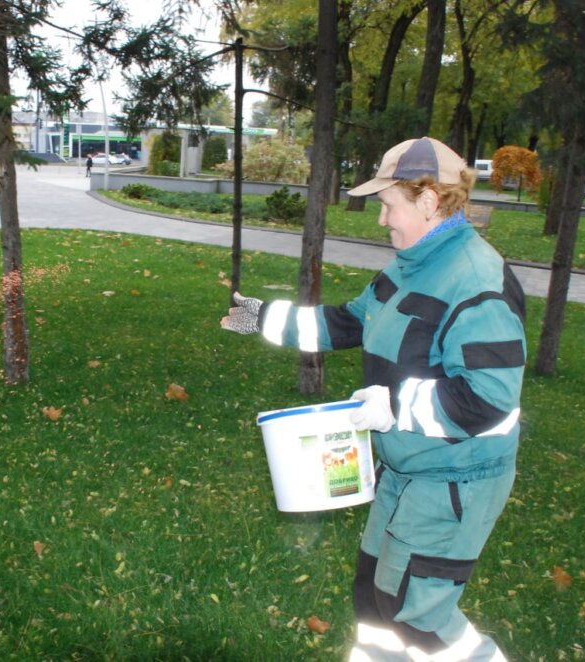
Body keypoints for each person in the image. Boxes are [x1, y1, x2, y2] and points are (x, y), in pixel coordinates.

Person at [222, 137, 526, 661]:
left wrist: (393, 406)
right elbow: (352, 321)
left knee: (419, 618)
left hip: (454, 480)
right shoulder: (410, 266)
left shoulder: (478, 283)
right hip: (404, 472)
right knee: (376, 601)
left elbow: (488, 400)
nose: (381, 217)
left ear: (429, 201)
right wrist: (267, 318)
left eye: (389, 204)